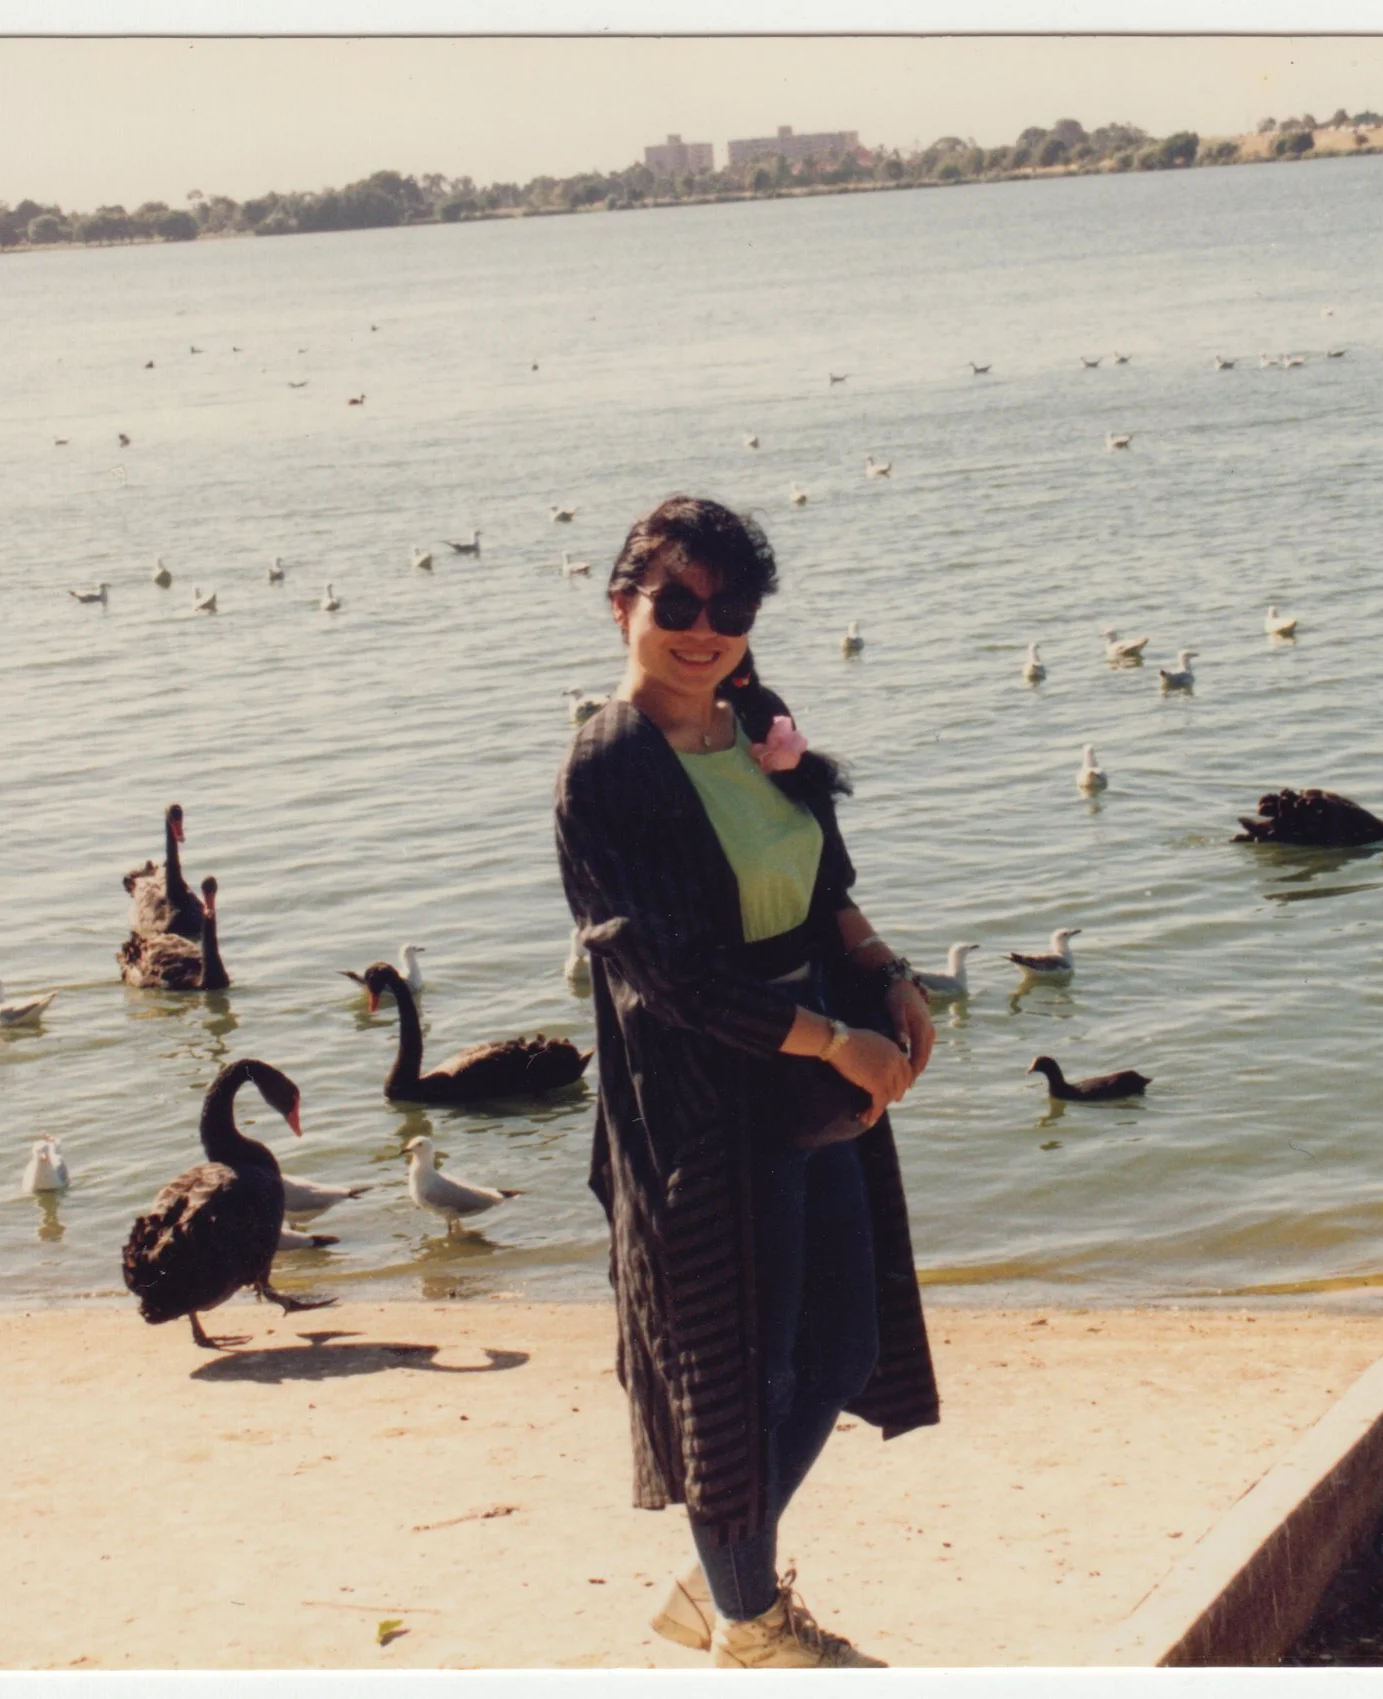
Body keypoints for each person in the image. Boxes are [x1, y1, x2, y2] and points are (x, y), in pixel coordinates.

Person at [554, 496, 941, 1668]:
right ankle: (750, 1623)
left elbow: (820, 878)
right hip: (707, 1106)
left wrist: (885, 968)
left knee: (836, 1347)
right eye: (676, 603)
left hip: (813, 1066)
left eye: (728, 608)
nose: (702, 628)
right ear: (621, 605)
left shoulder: (753, 722)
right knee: (741, 1373)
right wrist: (834, 1040)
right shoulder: (604, 772)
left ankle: (718, 1585)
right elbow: (666, 977)